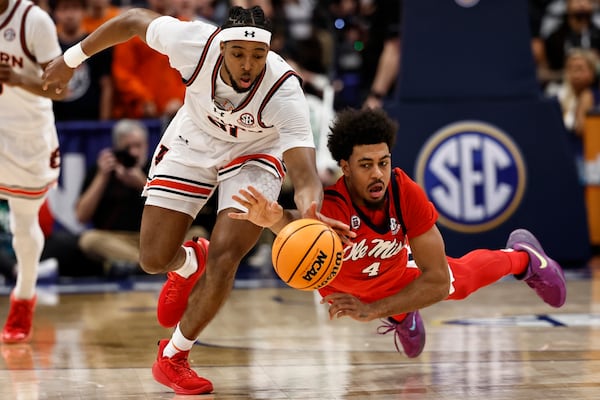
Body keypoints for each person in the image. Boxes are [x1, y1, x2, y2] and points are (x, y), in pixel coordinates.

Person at [42, 5, 346, 395]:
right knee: (152, 258)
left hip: (255, 154)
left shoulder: (283, 89)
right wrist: (71, 59)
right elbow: (133, 20)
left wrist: (309, 214)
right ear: (221, 47)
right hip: (195, 139)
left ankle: (174, 356)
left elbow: (304, 175)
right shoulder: (193, 43)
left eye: (257, 55)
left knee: (227, 256)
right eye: (238, 54)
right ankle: (187, 263)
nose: (248, 64)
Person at [229, 107, 567, 358]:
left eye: (384, 162)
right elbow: (303, 233)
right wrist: (272, 221)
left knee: (456, 280)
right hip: (340, 283)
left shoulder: (406, 194)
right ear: (344, 167)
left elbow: (435, 280)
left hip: (392, 274)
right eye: (366, 165)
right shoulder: (333, 206)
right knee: (324, 273)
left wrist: (373, 311)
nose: (378, 173)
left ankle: (523, 258)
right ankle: (403, 313)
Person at [0, 0, 66, 343]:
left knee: (22, 225)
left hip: (26, 138)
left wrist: (19, 78)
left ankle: (23, 299)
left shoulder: (33, 20)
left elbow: (61, 87)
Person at [75, 119, 150, 273]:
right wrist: (102, 177)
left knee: (197, 233)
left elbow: (170, 210)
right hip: (115, 240)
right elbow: (81, 216)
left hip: (151, 240)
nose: (134, 152)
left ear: (147, 146)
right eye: (128, 147)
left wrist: (142, 184)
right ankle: (149, 265)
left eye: (138, 146)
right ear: (117, 149)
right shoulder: (101, 170)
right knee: (88, 239)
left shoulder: (157, 168)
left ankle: (140, 264)